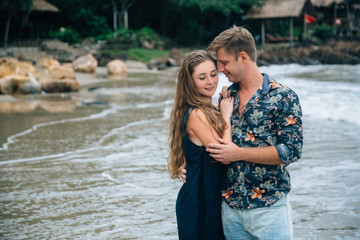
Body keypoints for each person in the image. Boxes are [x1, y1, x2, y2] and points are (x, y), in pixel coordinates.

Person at [181, 26, 303, 239]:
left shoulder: (283, 97)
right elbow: (205, 140)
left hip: (269, 209)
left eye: (224, 63)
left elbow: (291, 151)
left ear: (243, 57)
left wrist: (238, 153)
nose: (220, 70)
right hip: (229, 211)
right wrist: (189, 166)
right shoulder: (226, 97)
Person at [168, 50, 234, 240]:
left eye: (213, 74)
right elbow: (223, 154)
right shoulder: (197, 114)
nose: (211, 82)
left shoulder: (210, 108)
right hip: (199, 206)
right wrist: (227, 116)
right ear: (190, 81)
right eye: (202, 77)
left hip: (208, 202)